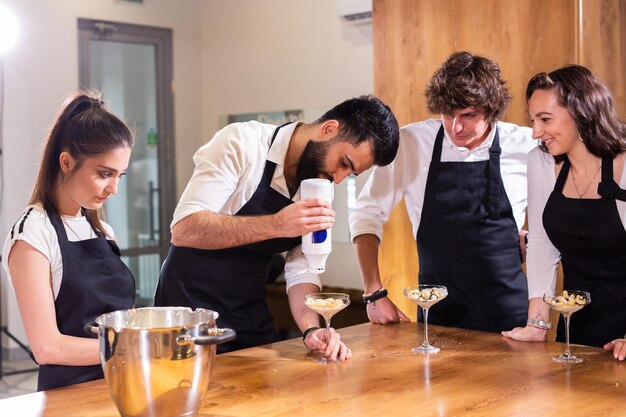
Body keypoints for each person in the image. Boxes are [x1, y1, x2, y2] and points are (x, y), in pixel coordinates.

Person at [154, 95, 400, 360]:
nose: (338, 179)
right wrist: (277, 225)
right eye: (343, 163)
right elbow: (184, 229)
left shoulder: (318, 187)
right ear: (329, 129)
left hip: (246, 311)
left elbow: (302, 270)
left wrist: (311, 329)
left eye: (349, 174)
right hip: (189, 313)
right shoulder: (242, 143)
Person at [349, 51, 537, 332]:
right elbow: (365, 213)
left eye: (468, 115)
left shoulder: (526, 146)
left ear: (492, 109)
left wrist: (533, 240)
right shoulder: (412, 143)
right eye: (447, 115)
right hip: (436, 313)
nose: (456, 127)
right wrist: (373, 292)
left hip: (508, 315)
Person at [2, 92, 135, 390]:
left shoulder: (103, 231)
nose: (113, 188)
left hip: (121, 387)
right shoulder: (32, 234)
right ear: (66, 162)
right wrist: (134, 347)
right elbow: (47, 347)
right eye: (104, 174)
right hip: (70, 398)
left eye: (120, 175)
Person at [501, 65, 626, 360]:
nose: (535, 132)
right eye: (533, 120)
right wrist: (537, 324)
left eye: (545, 119)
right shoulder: (542, 162)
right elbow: (542, 244)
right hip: (577, 320)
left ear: (583, 113)